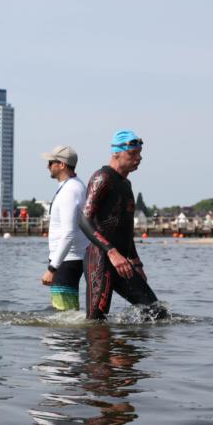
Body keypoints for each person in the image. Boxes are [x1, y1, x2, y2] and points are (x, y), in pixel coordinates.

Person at [80, 130, 164, 320]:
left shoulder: (126, 185)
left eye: (140, 153)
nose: (139, 158)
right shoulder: (102, 178)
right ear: (116, 153)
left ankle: (129, 349)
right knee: (96, 324)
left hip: (122, 263)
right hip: (100, 259)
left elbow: (125, 229)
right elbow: (83, 221)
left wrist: (136, 261)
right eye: (133, 153)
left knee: (157, 313)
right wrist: (111, 252)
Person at [39, 145, 89, 311]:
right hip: (69, 258)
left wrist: (52, 268)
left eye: (51, 162)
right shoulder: (74, 186)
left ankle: (65, 338)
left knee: (63, 315)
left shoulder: (70, 190)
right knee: (67, 313)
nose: (47, 166)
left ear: (62, 165)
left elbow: (68, 233)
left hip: (67, 260)